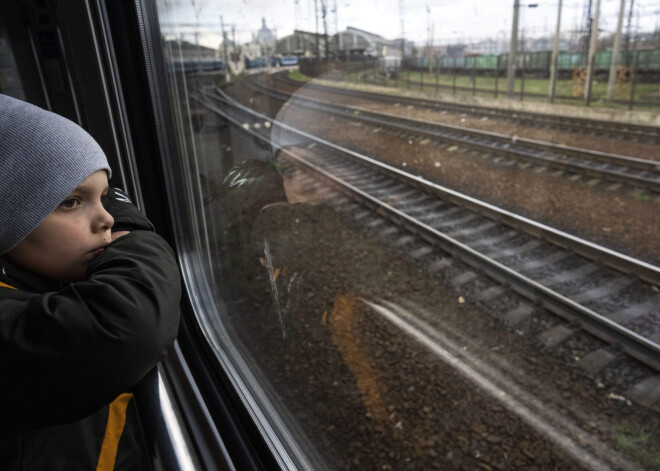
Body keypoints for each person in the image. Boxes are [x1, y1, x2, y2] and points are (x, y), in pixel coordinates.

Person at [0, 94, 181, 470]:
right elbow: (126, 327)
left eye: (104, 198)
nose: (108, 220)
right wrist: (136, 235)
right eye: (71, 202)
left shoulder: (39, 276)